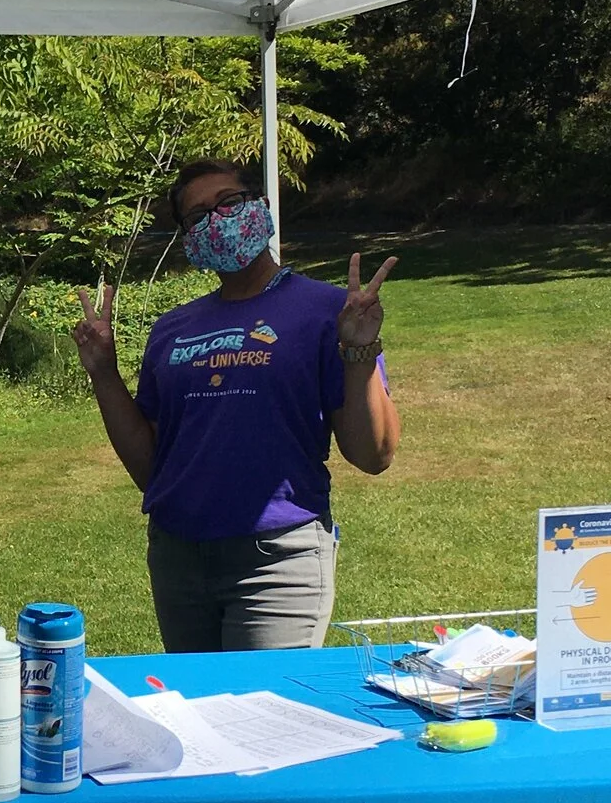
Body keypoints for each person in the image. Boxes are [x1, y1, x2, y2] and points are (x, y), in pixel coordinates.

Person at [71, 159, 398, 651]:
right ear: (187, 238)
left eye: (228, 202)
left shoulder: (327, 311)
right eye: (198, 215)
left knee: (264, 715)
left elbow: (374, 455)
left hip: (277, 559)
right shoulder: (173, 329)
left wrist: (357, 352)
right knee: (199, 719)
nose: (216, 219)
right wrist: (103, 373)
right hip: (178, 558)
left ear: (261, 208)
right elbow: (151, 469)